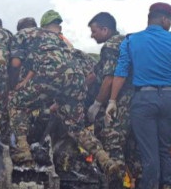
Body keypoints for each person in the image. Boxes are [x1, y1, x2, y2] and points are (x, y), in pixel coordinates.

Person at [10, 10, 118, 174]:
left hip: (51, 73)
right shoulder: (56, 39)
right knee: (75, 126)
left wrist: (14, 86)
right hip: (75, 77)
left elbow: (16, 64)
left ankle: (23, 153)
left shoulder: (21, 36)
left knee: (16, 104)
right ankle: (105, 160)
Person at [107, 3, 171, 189]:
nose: (170, 24)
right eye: (169, 20)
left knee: (148, 152)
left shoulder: (132, 40)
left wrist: (112, 100)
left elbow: (122, 71)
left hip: (144, 98)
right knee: (165, 150)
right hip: (169, 98)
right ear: (161, 19)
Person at [87, 12, 136, 189]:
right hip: (135, 105)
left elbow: (109, 78)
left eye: (94, 31)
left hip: (117, 106)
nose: (92, 36)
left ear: (105, 29)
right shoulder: (127, 42)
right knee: (133, 150)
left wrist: (98, 103)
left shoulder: (110, 46)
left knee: (112, 145)